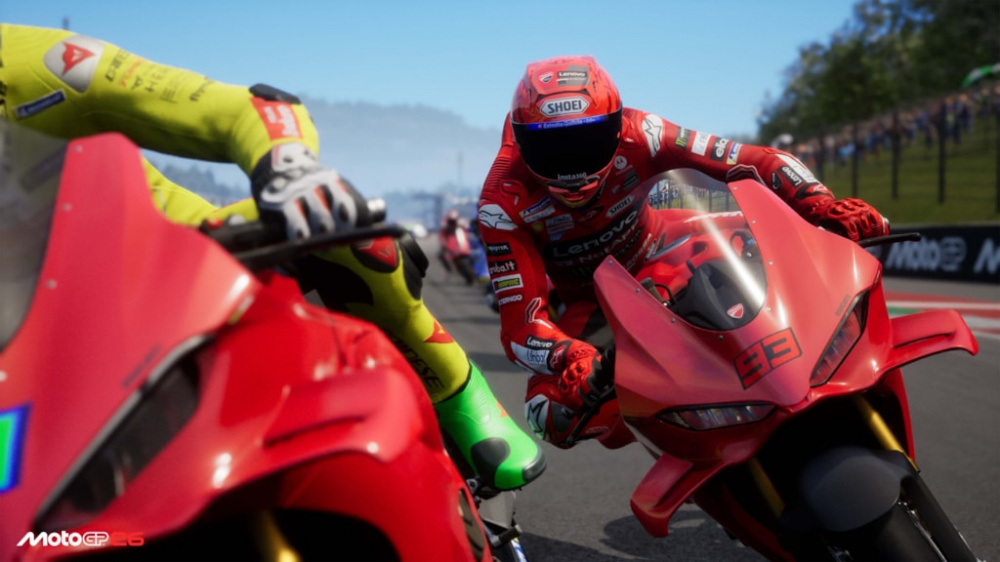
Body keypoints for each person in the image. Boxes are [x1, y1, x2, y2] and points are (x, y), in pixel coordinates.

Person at [0, 22, 545, 490]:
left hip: (171, 256)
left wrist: (290, 169)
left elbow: (254, 106)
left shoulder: (34, 62)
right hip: (32, 349)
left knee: (347, 233)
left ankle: (455, 393)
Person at [477, 55, 889, 449]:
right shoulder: (500, 203)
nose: (573, 168)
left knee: (804, 268)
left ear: (616, 127)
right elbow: (520, 329)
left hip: (675, 246)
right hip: (598, 302)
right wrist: (573, 356)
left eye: (587, 142)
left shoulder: (645, 132)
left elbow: (756, 160)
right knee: (548, 413)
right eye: (552, 149)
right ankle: (689, 441)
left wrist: (823, 205)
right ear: (523, 142)